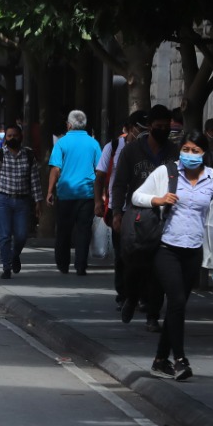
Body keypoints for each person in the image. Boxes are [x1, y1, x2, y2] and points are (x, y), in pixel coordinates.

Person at [132, 129, 213, 381]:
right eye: (186, 149)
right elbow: (137, 195)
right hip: (166, 247)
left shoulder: (212, 178)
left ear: (205, 154)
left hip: (193, 251)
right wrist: (158, 199)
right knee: (176, 302)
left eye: (196, 151)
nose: (190, 155)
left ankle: (160, 360)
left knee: (178, 305)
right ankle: (180, 360)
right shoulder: (167, 173)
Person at [112, 105, 178, 332]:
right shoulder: (131, 151)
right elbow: (119, 184)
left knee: (158, 268)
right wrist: (117, 213)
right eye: (158, 127)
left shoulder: (174, 152)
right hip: (136, 216)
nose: (163, 130)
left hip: (164, 218)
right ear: (149, 127)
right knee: (133, 264)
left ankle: (152, 314)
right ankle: (131, 297)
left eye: (166, 127)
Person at [95, 111, 146, 307]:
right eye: (140, 129)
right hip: (121, 208)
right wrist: (99, 202)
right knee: (122, 254)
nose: (144, 134)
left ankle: (142, 295)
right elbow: (100, 175)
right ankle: (124, 294)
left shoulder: (150, 149)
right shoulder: (114, 147)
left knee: (144, 253)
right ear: (131, 128)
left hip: (146, 208)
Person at [46, 109, 102, 275]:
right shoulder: (93, 143)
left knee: (64, 230)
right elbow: (100, 170)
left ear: (69, 124)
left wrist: (50, 191)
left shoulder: (61, 143)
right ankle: (81, 265)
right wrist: (101, 193)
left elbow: (55, 169)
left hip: (66, 193)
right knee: (83, 230)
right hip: (87, 193)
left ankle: (63, 264)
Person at [0, 124, 43, 279]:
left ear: (20, 136)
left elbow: (34, 180)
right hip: (3, 200)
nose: (12, 138)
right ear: (5, 138)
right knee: (5, 235)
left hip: (22, 201)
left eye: (15, 135)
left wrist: (38, 201)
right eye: (9, 136)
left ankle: (15, 255)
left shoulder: (28, 155)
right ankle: (6, 267)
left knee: (21, 235)